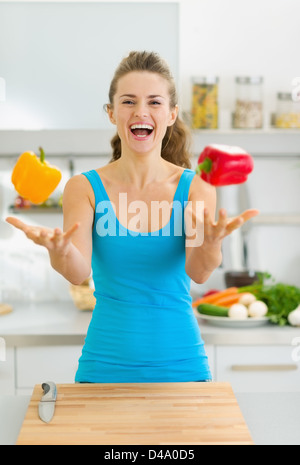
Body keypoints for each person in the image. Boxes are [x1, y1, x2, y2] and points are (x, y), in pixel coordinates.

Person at [6, 51, 258, 383]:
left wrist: (210, 245)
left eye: (154, 102)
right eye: (128, 102)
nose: (141, 111)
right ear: (111, 113)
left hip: (182, 365)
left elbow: (198, 273)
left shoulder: (196, 188)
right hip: (104, 366)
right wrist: (61, 251)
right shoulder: (84, 188)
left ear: (171, 115)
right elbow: (78, 272)